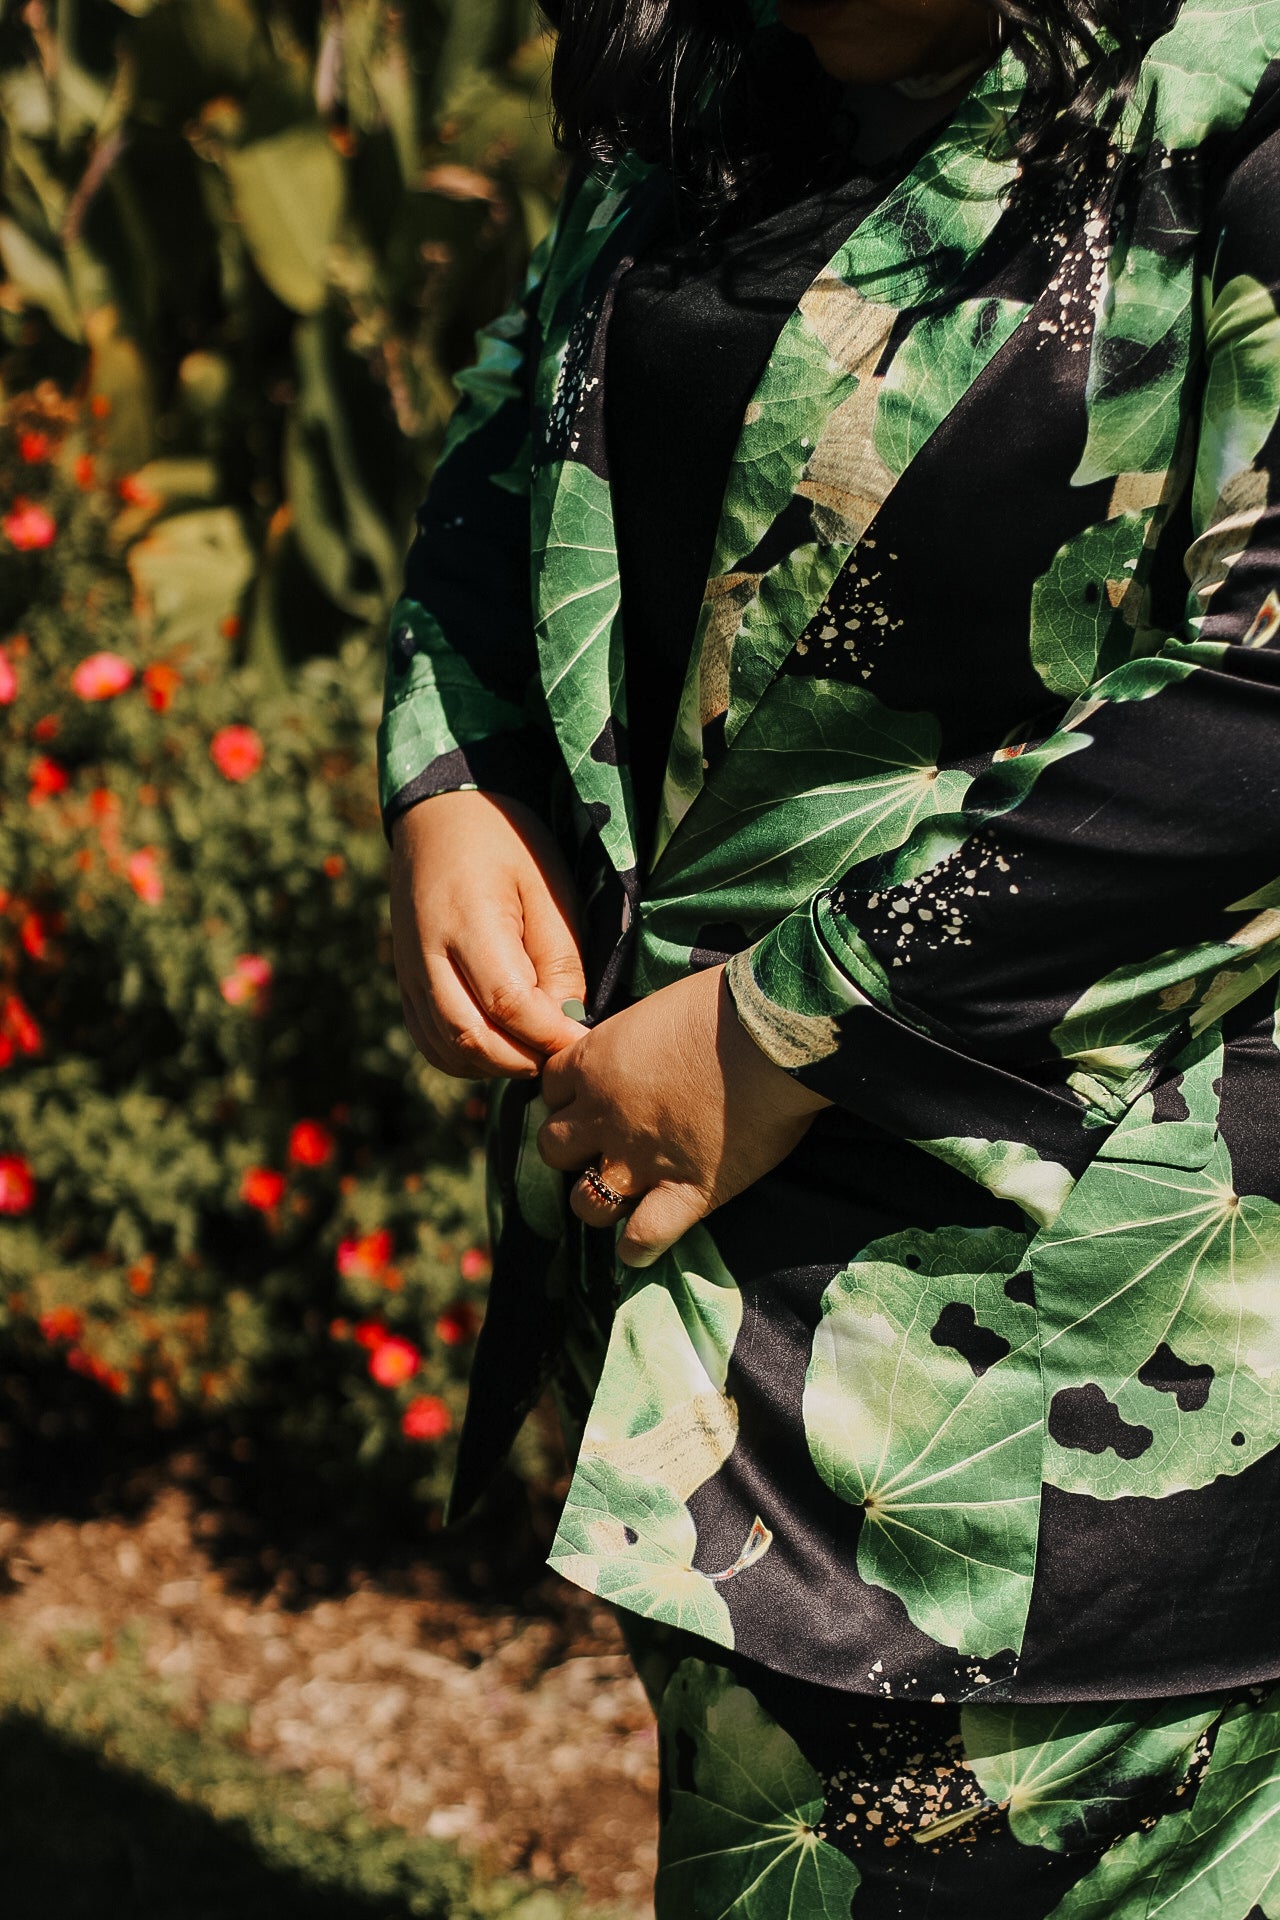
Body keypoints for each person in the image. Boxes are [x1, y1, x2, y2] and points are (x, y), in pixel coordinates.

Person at [382, 0, 1280, 1909]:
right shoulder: (707, 52)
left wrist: (794, 1025)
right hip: (733, 1329)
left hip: (1077, 1368)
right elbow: (532, 397)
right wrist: (459, 772)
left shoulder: (1242, 90)